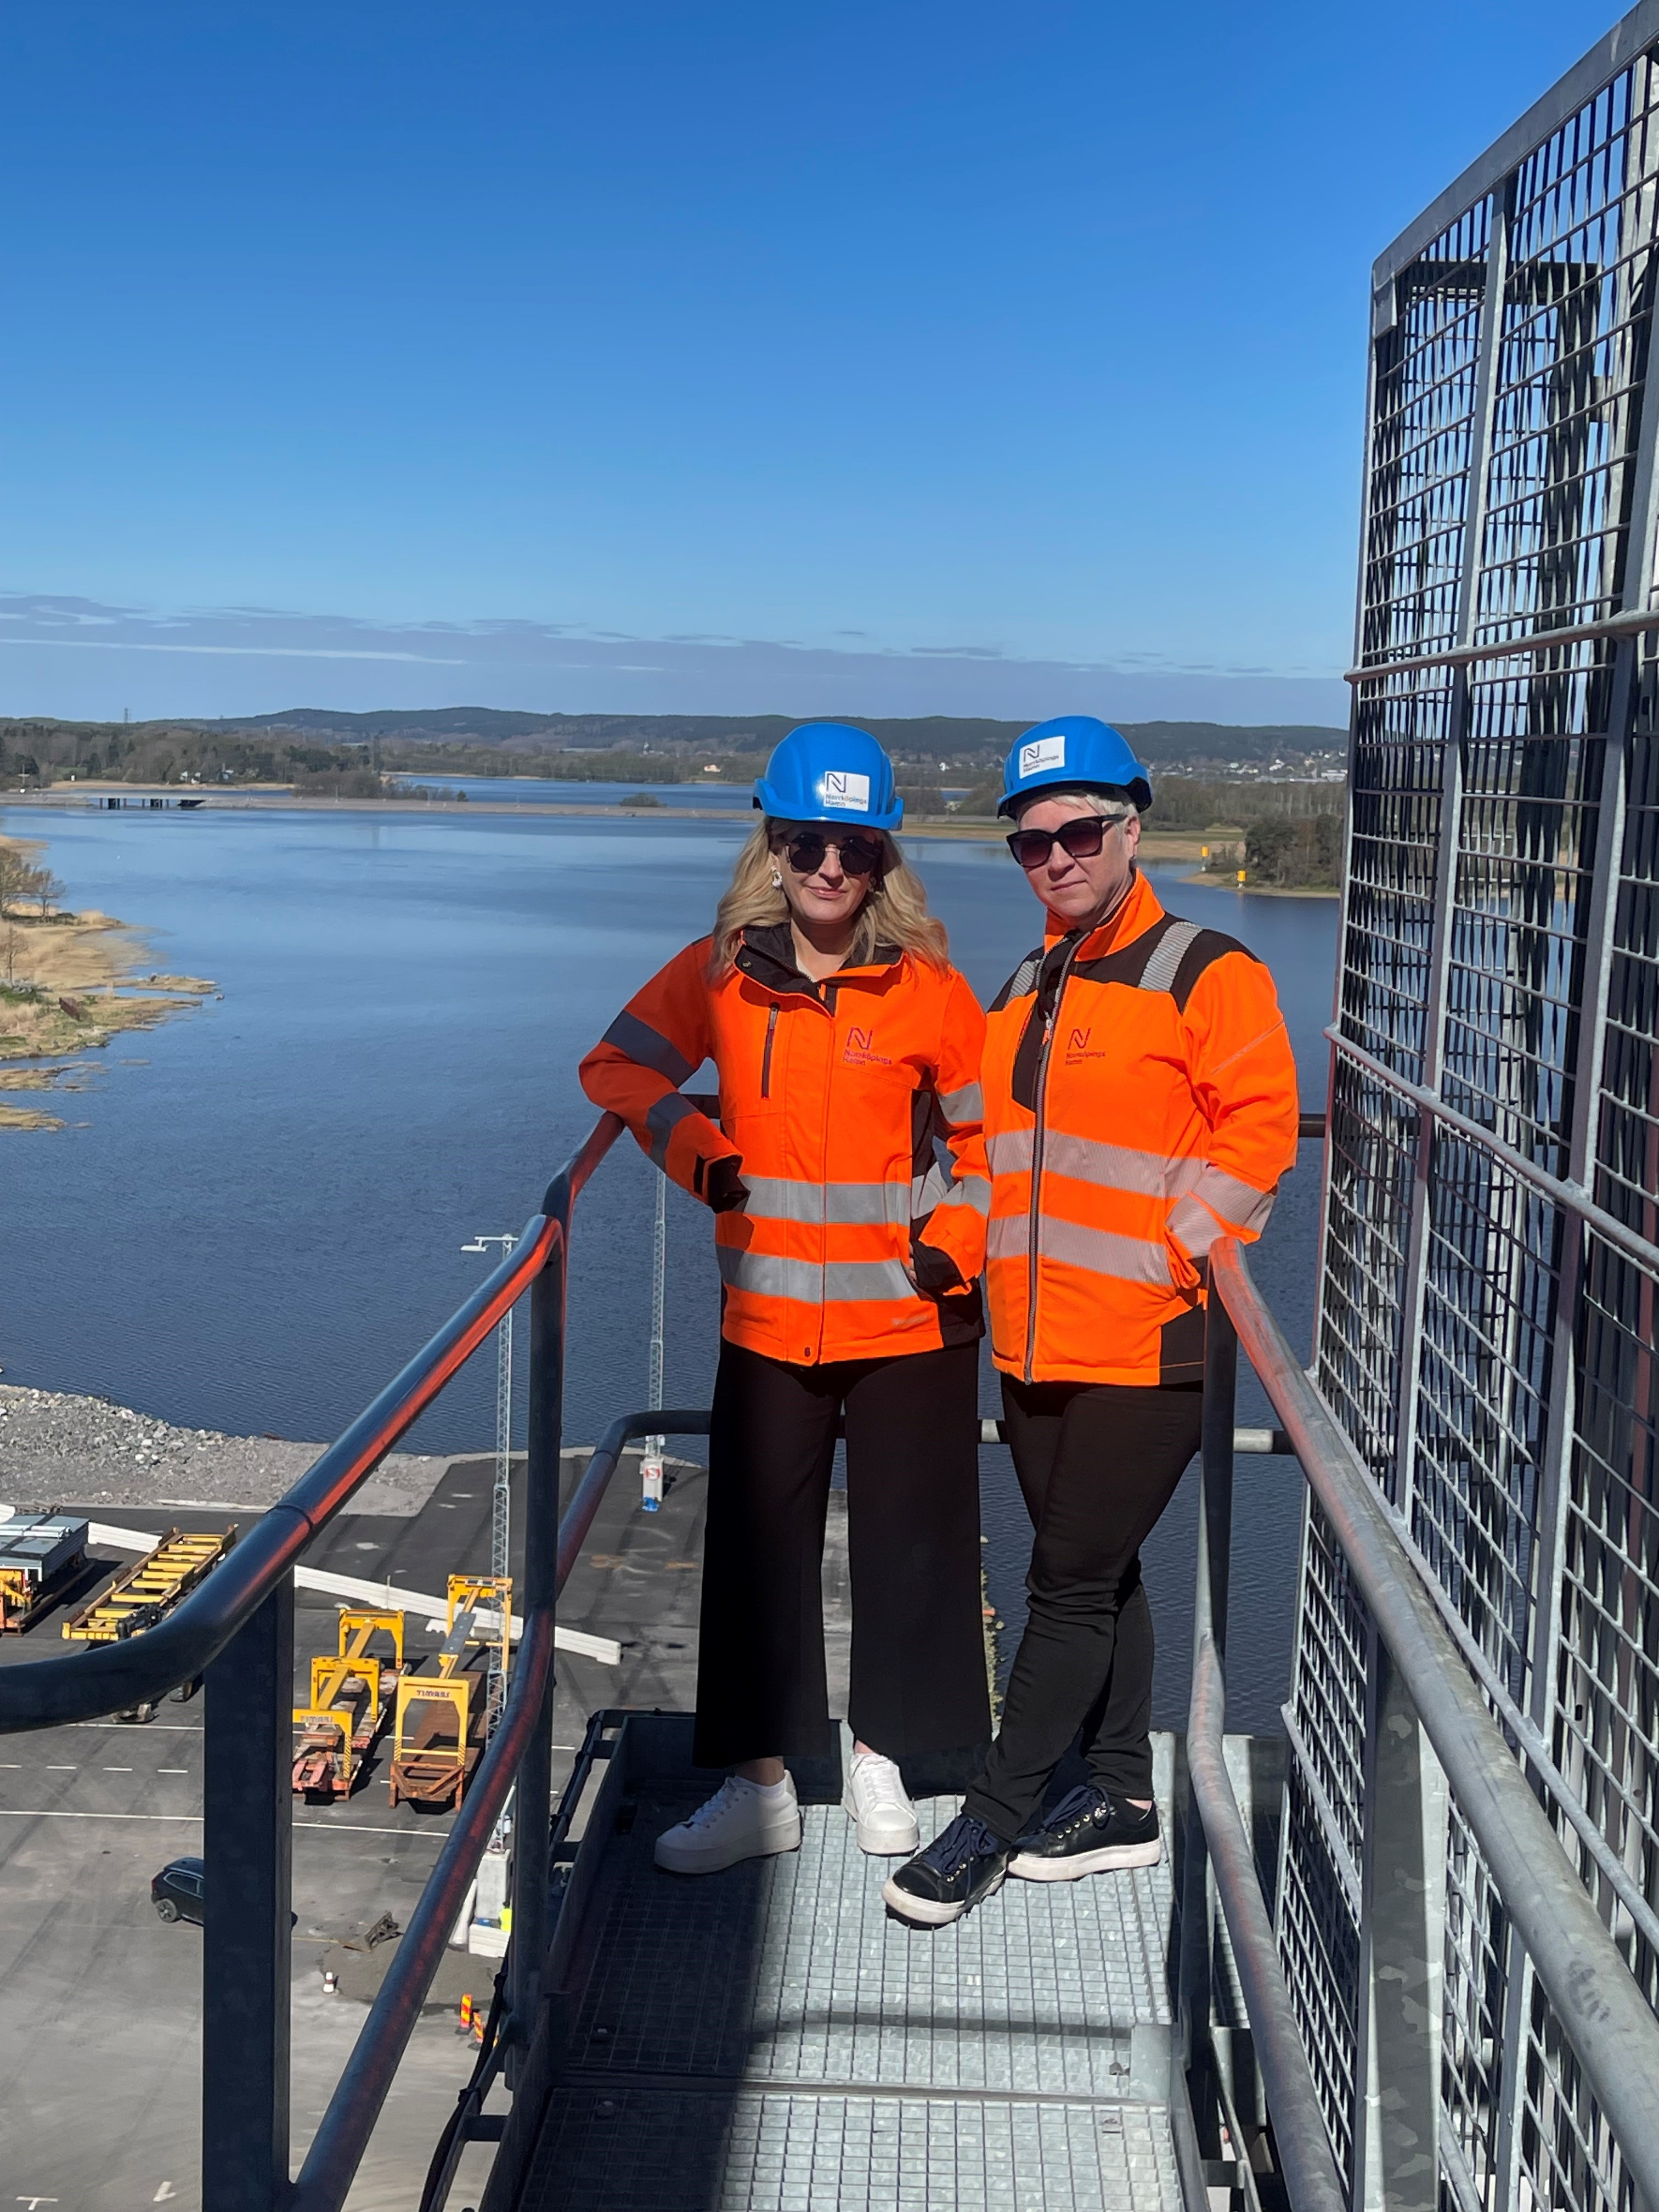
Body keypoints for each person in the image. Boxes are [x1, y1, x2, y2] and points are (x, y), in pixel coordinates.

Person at [883, 715, 1300, 1926]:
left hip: (1148, 1346)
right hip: (1030, 1342)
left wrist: (1179, 1250)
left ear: (1132, 826)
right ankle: (1119, 1790)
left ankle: (991, 1823)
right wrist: (952, 1241)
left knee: (1060, 1584)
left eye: (1078, 832)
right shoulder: (1024, 988)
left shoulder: (1209, 969)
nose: (1055, 859)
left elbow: (1260, 1131)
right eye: (1030, 843)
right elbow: (990, 1157)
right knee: (1097, 1572)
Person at [579, 721, 993, 1876]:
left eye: (852, 849)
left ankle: (880, 1763)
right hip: (767, 1324)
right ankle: (760, 1790)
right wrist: (699, 1151)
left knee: (913, 1550)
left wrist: (953, 1240)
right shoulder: (718, 974)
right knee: (759, 1554)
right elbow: (615, 1068)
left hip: (911, 1319)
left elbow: (991, 1133)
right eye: (806, 843)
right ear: (770, 844)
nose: (827, 868)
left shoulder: (928, 988)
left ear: (882, 862)